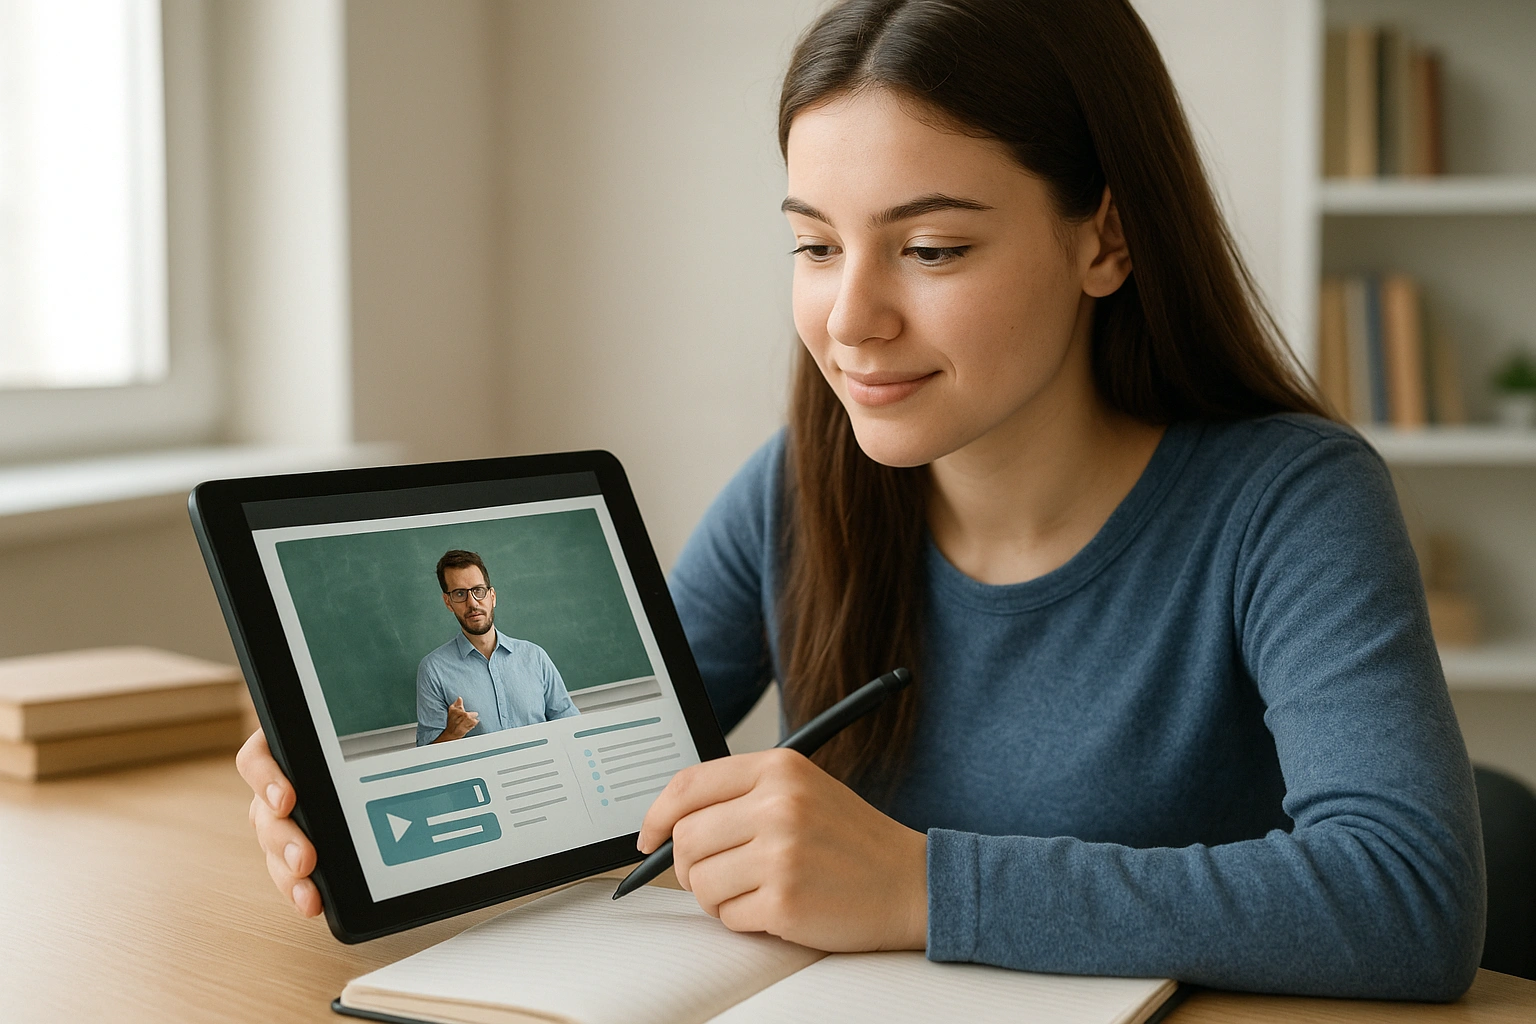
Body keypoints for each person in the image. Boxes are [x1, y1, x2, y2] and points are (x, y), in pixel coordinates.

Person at [236, 0, 1484, 1001]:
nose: (851, 319)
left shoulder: (1289, 503)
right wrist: (357, 792)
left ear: (1105, 239)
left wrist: (919, 885)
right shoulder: (799, 485)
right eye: (816, 244)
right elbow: (618, 783)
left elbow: (1408, 896)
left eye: (931, 248)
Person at [415, 549, 578, 746]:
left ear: (492, 596)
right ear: (448, 602)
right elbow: (425, 756)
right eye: (459, 594)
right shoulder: (433, 669)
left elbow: (571, 726)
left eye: (478, 591)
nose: (472, 603)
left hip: (546, 764)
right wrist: (451, 734)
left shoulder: (534, 657)